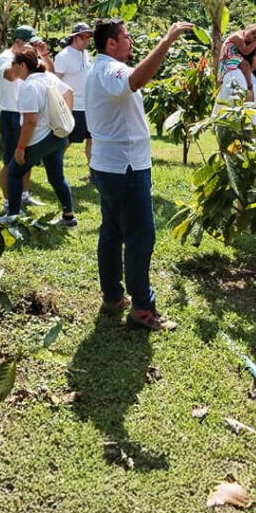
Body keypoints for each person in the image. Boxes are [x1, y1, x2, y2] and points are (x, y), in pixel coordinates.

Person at [87, 18, 194, 330]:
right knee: (139, 235)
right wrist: (168, 39)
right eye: (126, 37)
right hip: (125, 167)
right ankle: (142, 308)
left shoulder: (102, 69)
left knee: (112, 231)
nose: (130, 42)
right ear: (111, 43)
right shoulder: (109, 69)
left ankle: (112, 297)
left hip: (111, 166)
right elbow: (135, 80)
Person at [0, 46, 77, 227]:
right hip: (58, 136)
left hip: (40, 138)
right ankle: (68, 216)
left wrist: (21, 147)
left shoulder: (28, 86)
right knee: (56, 177)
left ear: (23, 65)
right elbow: (69, 92)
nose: (12, 67)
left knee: (14, 171)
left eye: (13, 64)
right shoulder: (48, 77)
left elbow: (30, 122)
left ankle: (13, 216)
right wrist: (64, 117)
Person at [0, 26, 54, 210]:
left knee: (26, 157)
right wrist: (23, 57)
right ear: (18, 42)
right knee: (10, 160)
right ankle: (8, 202)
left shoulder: (30, 58)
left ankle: (24, 195)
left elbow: (50, 74)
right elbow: (11, 77)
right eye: (30, 43)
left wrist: (43, 55)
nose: (33, 46)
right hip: (11, 114)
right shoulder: (4, 59)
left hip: (29, 113)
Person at [54, 22, 94, 171]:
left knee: (92, 139)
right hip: (72, 105)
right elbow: (55, 81)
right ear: (75, 37)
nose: (86, 40)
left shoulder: (86, 55)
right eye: (83, 37)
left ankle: (93, 173)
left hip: (88, 105)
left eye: (88, 37)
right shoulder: (64, 56)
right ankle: (53, 166)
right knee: (67, 139)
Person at [217, 24, 256, 91]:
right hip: (228, 57)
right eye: (252, 33)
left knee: (252, 66)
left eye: (255, 38)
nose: (251, 37)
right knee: (245, 65)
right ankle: (249, 85)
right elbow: (245, 51)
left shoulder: (242, 38)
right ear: (248, 28)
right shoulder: (238, 37)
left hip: (232, 56)